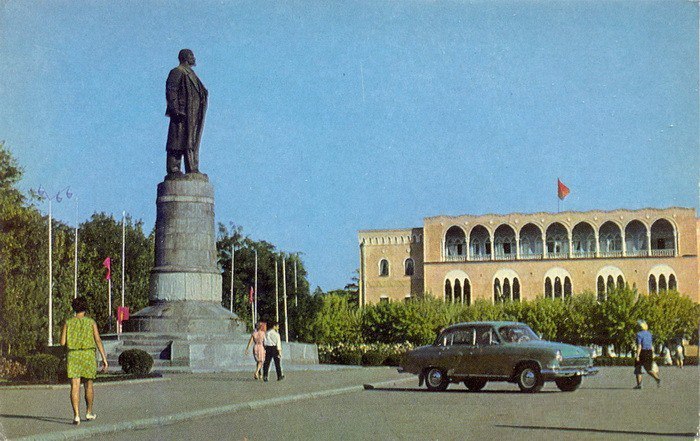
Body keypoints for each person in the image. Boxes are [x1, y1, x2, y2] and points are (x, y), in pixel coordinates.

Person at [59, 296, 108, 425]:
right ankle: (89, 412)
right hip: (88, 355)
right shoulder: (91, 322)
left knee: (75, 386)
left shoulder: (68, 322)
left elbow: (62, 342)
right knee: (88, 385)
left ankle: (76, 415)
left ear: (73, 308)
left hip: (73, 355)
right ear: (85, 308)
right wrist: (104, 358)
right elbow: (98, 340)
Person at [165, 48, 208, 175]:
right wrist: (175, 109)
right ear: (185, 57)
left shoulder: (192, 74)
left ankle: (192, 168)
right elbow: (171, 90)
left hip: (194, 113)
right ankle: (174, 168)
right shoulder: (177, 71)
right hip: (182, 113)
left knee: (191, 140)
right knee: (177, 140)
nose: (194, 58)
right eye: (191, 55)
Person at [633, 319, 660, 389]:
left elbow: (639, 346)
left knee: (638, 368)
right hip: (649, 352)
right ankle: (657, 378)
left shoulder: (639, 334)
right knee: (648, 369)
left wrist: (637, 356)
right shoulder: (649, 334)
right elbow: (651, 345)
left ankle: (639, 385)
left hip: (642, 352)